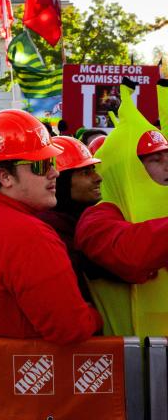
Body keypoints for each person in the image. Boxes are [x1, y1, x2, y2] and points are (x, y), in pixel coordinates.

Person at [0, 110, 102, 343]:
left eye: (52, 162)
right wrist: (97, 315)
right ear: (5, 177)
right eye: (40, 165)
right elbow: (70, 328)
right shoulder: (31, 235)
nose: (55, 172)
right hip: (22, 374)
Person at [76, 118, 168, 336]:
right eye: (156, 160)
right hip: (128, 358)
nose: (167, 165)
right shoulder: (95, 219)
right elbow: (130, 254)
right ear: (125, 169)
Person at [37, 136, 104, 301]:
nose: (97, 178)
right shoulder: (51, 231)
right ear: (62, 182)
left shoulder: (79, 221)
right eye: (86, 172)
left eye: (93, 169)